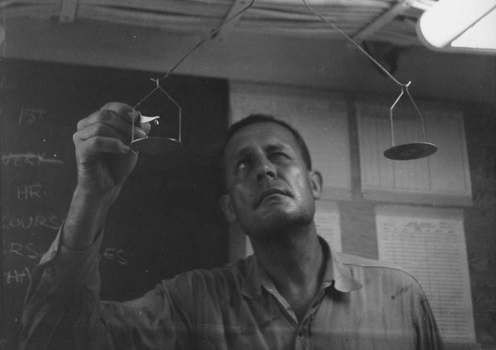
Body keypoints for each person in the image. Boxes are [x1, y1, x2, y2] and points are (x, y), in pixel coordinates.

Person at [21, 102, 444, 349]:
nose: (263, 169)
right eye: (244, 165)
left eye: (279, 155)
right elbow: (55, 339)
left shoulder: (400, 297)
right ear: (229, 208)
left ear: (313, 184)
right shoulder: (192, 302)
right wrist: (92, 196)